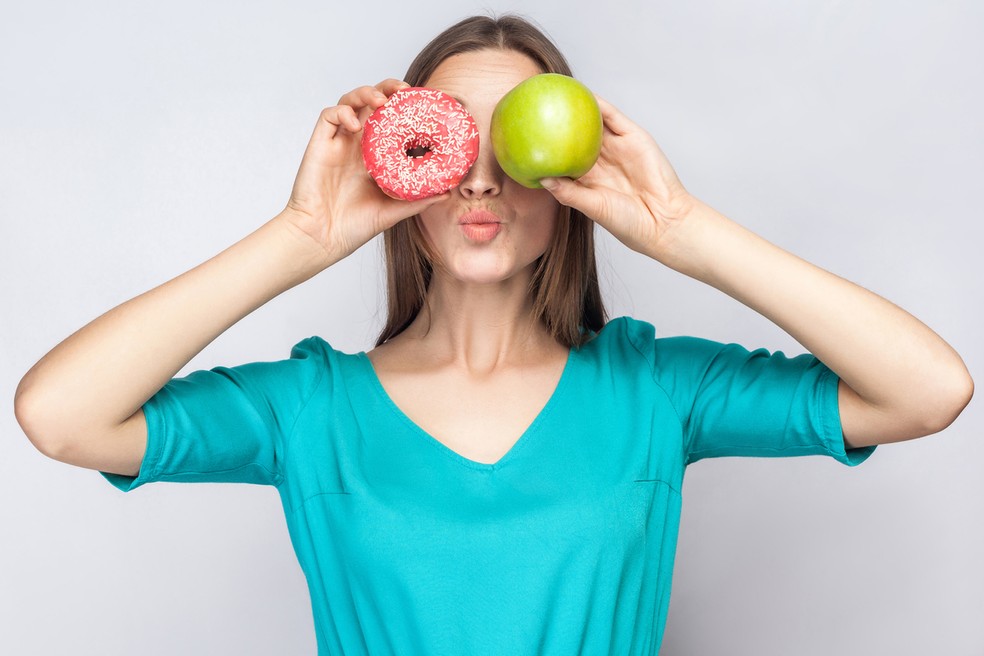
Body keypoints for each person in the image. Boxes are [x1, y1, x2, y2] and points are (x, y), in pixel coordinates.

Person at [14, 13, 973, 655]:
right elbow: (60, 415)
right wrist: (298, 238)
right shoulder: (308, 408)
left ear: (564, 180)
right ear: (403, 180)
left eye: (508, 141)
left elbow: (928, 391)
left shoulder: (656, 392)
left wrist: (683, 229)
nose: (478, 180)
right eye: (446, 142)